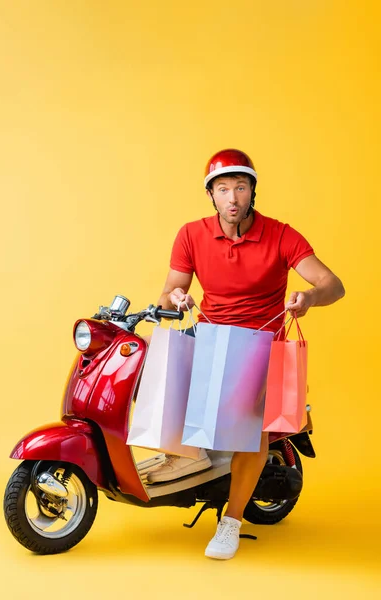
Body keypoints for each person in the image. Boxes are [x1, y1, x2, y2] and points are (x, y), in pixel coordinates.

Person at [147, 148, 345, 560]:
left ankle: (231, 522)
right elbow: (167, 292)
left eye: (240, 187)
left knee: (251, 427)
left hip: (260, 348)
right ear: (211, 196)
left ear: (253, 191)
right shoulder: (191, 234)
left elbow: (333, 284)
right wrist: (177, 296)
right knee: (156, 379)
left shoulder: (281, 234)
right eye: (223, 189)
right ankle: (187, 470)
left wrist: (308, 295)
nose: (232, 198)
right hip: (211, 339)